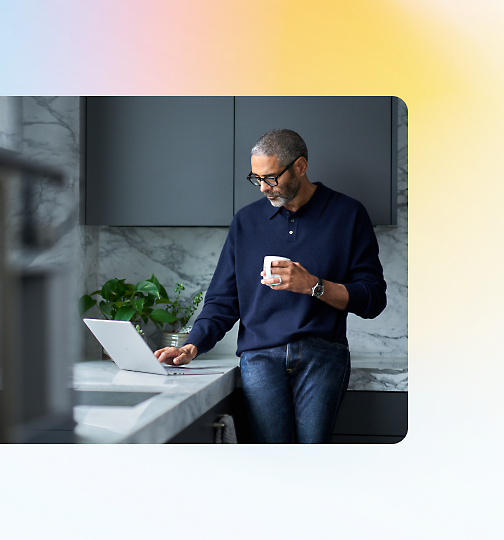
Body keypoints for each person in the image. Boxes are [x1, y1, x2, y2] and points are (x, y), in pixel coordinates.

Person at [154, 128, 387, 443]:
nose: (263, 187)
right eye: (256, 178)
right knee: (270, 457)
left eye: (272, 178)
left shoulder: (348, 214)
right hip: (259, 356)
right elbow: (223, 299)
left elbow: (373, 299)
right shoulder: (246, 221)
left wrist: (314, 285)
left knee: (312, 460)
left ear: (300, 167)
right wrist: (192, 344)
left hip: (324, 354)